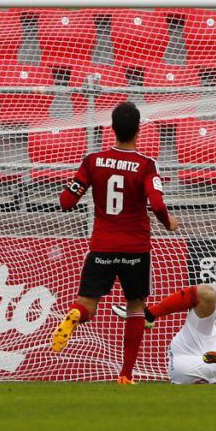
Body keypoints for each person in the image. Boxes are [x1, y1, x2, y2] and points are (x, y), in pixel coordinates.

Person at [51, 102, 179, 385]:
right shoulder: (146, 165)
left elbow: (65, 202)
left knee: (88, 305)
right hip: (135, 249)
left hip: (102, 246)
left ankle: (75, 314)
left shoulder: (92, 161)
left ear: (112, 128)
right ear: (139, 130)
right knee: (135, 307)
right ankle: (125, 375)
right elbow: (156, 202)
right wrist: (168, 222)